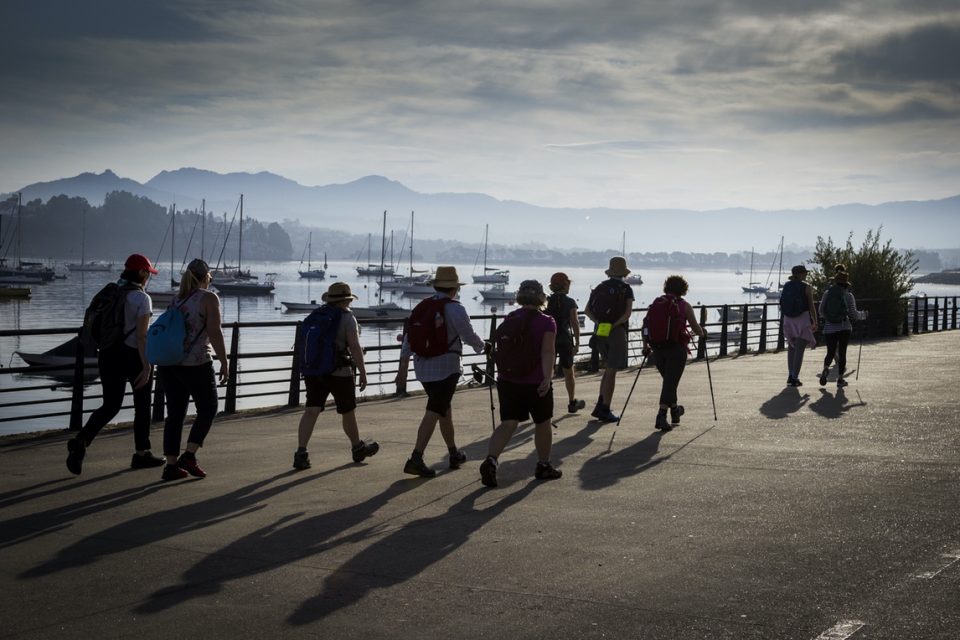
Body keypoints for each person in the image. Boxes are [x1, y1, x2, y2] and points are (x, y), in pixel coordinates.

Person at [66, 254, 166, 475]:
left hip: (108, 355)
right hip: (133, 356)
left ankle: (82, 440)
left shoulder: (111, 292)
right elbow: (142, 337)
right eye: (148, 272)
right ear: (141, 273)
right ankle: (141, 454)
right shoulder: (142, 299)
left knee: (111, 405)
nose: (149, 276)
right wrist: (147, 364)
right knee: (141, 406)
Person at [397, 266, 489, 477]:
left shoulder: (421, 307)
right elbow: (468, 336)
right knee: (434, 410)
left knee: (443, 410)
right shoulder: (456, 308)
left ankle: (453, 452)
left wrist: (402, 369)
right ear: (454, 289)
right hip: (447, 368)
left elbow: (409, 339)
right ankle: (416, 458)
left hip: (422, 368)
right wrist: (483, 347)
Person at [479, 280, 561, 487]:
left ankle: (491, 459)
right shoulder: (547, 321)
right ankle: (543, 465)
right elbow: (548, 351)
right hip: (535, 382)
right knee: (542, 423)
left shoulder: (510, 317)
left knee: (508, 423)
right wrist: (547, 377)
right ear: (541, 297)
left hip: (508, 379)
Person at [293, 282, 379, 470]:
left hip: (314, 371)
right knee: (347, 411)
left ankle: (301, 452)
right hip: (340, 372)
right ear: (347, 300)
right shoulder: (348, 318)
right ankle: (357, 447)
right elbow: (354, 347)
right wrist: (363, 372)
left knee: (311, 410)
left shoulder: (316, 315)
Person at [157, 258, 229, 481]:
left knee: (175, 414)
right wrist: (224, 362)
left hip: (170, 364)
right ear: (206, 276)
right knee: (208, 408)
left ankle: (170, 466)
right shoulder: (208, 298)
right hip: (196, 363)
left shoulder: (176, 298)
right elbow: (214, 333)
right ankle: (189, 455)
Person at [641, 275, 705, 431]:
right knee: (670, 383)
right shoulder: (684, 305)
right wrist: (704, 333)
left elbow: (645, 326)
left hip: (657, 349)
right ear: (683, 289)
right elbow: (696, 329)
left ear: (666, 287)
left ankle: (675, 410)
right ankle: (661, 415)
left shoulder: (656, 303)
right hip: (676, 349)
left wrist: (645, 345)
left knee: (670, 382)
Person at [584, 256, 636, 423]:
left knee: (606, 368)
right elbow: (627, 314)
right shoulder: (626, 289)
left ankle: (600, 403)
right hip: (616, 331)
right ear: (623, 272)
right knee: (612, 370)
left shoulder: (600, 287)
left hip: (600, 330)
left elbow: (587, 310)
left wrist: (599, 322)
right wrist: (615, 324)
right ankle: (605, 408)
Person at [818, 265, 866, 388]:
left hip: (829, 328)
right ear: (846, 283)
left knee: (830, 352)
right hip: (844, 327)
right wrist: (864, 315)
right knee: (842, 353)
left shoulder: (827, 293)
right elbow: (853, 314)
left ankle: (825, 368)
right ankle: (840, 380)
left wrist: (829, 318)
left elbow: (821, 310)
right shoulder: (849, 296)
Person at [546, 272, 586, 413]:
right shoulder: (570, 302)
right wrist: (577, 343)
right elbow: (575, 323)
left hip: (548, 340)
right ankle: (572, 402)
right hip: (565, 339)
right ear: (565, 285)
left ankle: (545, 403)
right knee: (569, 372)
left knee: (547, 372)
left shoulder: (546, 301)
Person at [779, 264, 818, 386]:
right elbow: (811, 306)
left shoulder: (786, 286)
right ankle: (795, 377)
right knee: (800, 348)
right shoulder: (806, 287)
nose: (806, 275)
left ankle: (790, 374)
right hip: (802, 318)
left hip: (788, 319)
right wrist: (815, 320)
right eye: (805, 273)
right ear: (801, 274)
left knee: (791, 347)